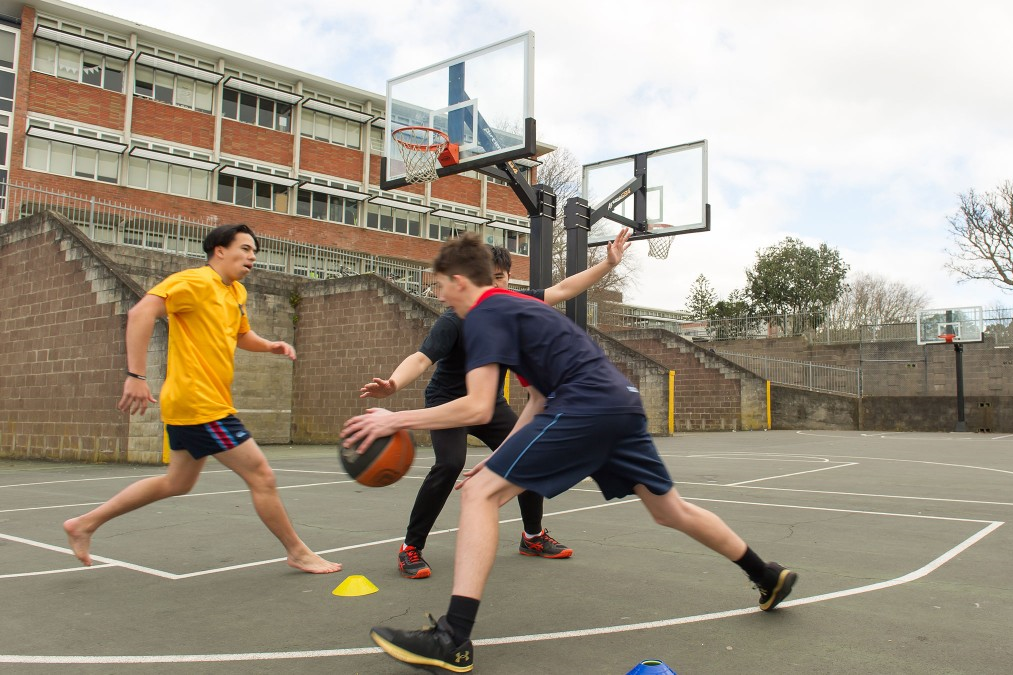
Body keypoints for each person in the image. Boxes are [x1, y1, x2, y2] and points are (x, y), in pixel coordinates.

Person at [343, 233, 797, 672]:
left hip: (583, 405)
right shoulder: (520, 307)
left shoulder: (482, 315)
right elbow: (538, 399)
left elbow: (478, 405)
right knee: (669, 509)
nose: (440, 296)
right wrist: (502, 457)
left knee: (478, 494)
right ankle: (765, 573)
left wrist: (395, 418)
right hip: (619, 403)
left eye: (441, 286)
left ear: (460, 282)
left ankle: (453, 638)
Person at [63, 224, 341, 575]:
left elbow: (241, 335)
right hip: (201, 404)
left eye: (255, 250)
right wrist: (135, 376)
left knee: (176, 483)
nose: (252, 256)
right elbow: (140, 313)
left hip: (196, 404)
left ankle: (84, 524)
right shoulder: (193, 282)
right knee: (262, 475)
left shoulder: (236, 292)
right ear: (219, 250)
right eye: (245, 248)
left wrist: (270, 344)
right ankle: (298, 551)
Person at [359, 228, 631, 579]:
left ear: (507, 279)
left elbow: (563, 290)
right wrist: (393, 384)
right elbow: (422, 358)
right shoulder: (454, 319)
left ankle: (532, 536)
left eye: (500, 278)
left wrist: (608, 265)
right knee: (450, 463)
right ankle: (411, 547)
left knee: (527, 454)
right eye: (489, 279)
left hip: (489, 404)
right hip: (449, 401)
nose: (495, 286)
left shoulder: (512, 306)